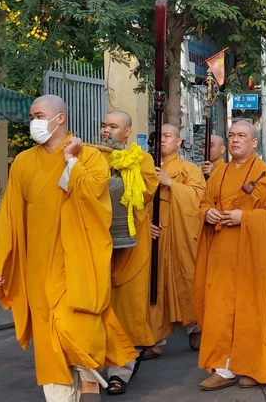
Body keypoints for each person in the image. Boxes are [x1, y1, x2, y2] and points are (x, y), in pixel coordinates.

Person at [0, 95, 137, 401]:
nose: (33, 121)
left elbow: (93, 198)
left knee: (81, 338)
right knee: (51, 347)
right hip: (40, 267)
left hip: (79, 265)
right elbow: (10, 214)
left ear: (60, 119)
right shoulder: (24, 161)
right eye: (31, 116)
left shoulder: (91, 157)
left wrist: (71, 161)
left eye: (38, 115)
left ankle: (90, 389)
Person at [194, 121, 266, 390]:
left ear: (253, 143)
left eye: (242, 135)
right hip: (222, 254)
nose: (236, 139)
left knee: (252, 311)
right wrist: (207, 213)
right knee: (220, 311)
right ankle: (223, 368)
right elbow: (204, 202)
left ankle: (254, 366)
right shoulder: (220, 173)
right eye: (232, 135)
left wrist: (245, 217)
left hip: (253, 256)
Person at [99, 111, 159, 395]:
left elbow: (146, 191)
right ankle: (92, 366)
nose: (106, 131)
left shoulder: (141, 160)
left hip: (131, 246)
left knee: (126, 310)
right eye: (104, 125)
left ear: (127, 132)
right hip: (96, 245)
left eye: (113, 126)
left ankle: (119, 371)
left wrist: (123, 164)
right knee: (95, 306)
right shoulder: (94, 156)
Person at [146, 124, 208, 357]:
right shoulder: (144, 165)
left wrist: (171, 184)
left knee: (185, 279)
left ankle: (195, 325)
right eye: (159, 136)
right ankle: (154, 338)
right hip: (155, 233)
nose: (162, 140)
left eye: (168, 136)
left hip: (180, 233)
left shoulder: (188, 169)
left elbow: (199, 198)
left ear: (179, 142)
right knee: (155, 283)